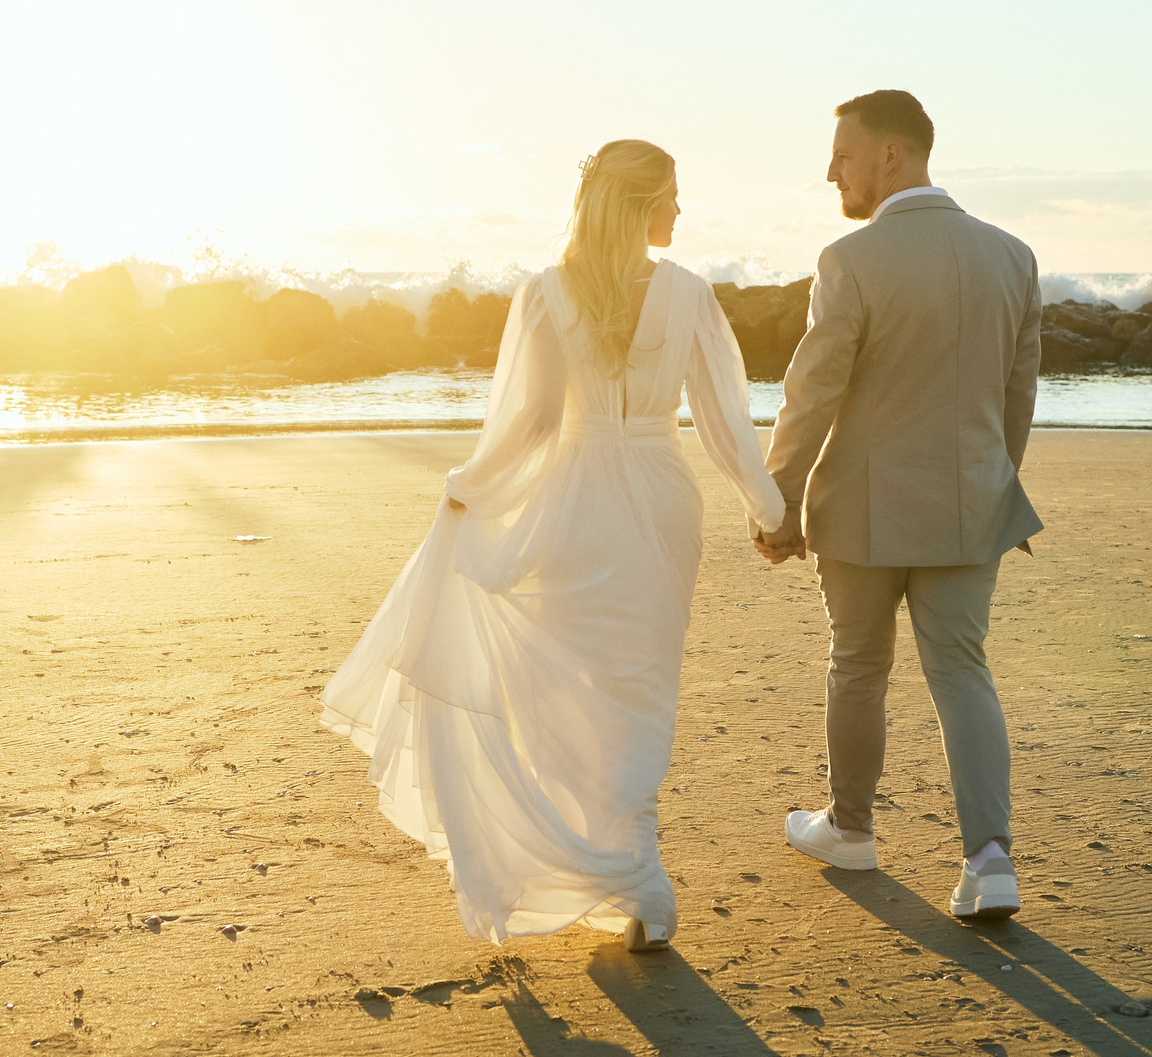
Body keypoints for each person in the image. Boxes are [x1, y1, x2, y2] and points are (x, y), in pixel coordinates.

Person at [321, 140, 785, 950]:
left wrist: (471, 483)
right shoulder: (690, 296)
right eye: (672, 195)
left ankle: (612, 868)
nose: (681, 209)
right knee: (641, 685)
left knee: (573, 690)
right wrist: (768, 506)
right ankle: (632, 870)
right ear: (640, 204)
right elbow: (724, 423)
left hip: (575, 501)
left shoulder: (546, 294)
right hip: (661, 500)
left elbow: (532, 424)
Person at [758, 90, 1042, 920]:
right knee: (963, 669)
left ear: (892, 155)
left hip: (863, 509)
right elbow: (1016, 397)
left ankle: (850, 829)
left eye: (843, 153)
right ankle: (990, 860)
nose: (831, 171)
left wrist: (777, 500)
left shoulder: (850, 260)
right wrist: (988, 480)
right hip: (971, 502)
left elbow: (812, 393)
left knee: (859, 664)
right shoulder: (1012, 257)